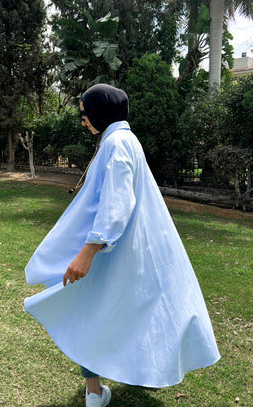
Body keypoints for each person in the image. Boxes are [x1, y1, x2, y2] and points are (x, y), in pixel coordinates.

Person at [24, 84, 220, 407]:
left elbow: (116, 204)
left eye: (85, 113)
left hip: (111, 251)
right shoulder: (122, 141)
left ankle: (96, 391)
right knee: (121, 311)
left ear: (101, 111)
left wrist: (87, 252)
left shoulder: (117, 143)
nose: (83, 120)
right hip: (126, 251)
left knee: (88, 309)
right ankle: (102, 388)